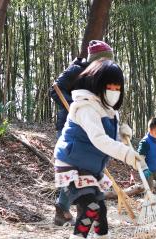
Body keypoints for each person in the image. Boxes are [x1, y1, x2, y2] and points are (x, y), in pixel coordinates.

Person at [54, 59, 139, 239]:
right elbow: (99, 139)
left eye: (117, 87)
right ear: (96, 84)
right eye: (108, 86)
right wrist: (127, 155)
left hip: (90, 164)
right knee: (90, 208)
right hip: (72, 163)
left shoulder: (108, 109)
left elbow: (110, 135)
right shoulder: (85, 106)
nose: (113, 91)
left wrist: (122, 133)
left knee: (100, 206)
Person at [49, 40, 114, 226]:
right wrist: (75, 108)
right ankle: (64, 208)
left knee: (85, 169)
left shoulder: (97, 77)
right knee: (74, 167)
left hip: (88, 126)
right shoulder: (77, 69)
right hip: (70, 125)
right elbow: (55, 90)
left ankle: (74, 210)